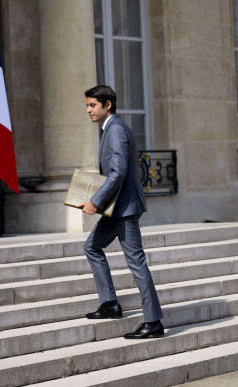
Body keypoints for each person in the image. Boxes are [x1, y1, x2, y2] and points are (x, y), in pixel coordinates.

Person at [78, 85, 164, 339]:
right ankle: (110, 304)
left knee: (136, 262)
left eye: (92, 105)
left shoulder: (115, 129)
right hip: (115, 208)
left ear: (108, 105)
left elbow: (117, 173)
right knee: (92, 247)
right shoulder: (110, 128)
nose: (88, 110)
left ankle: (154, 321)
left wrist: (95, 201)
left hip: (123, 208)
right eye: (87, 105)